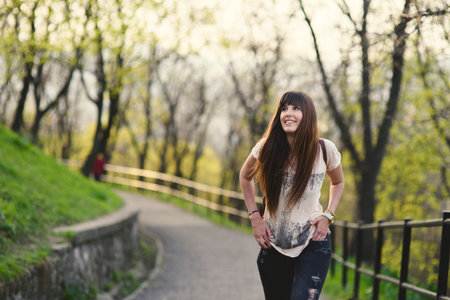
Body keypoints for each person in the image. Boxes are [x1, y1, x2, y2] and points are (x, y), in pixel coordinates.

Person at [239, 91, 344, 300]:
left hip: (313, 242)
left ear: (309, 115)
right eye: (284, 108)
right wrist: (255, 217)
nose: (289, 113)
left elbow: (338, 182)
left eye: (296, 108)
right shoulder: (266, 147)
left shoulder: (324, 150)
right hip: (274, 245)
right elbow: (245, 177)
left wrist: (329, 215)